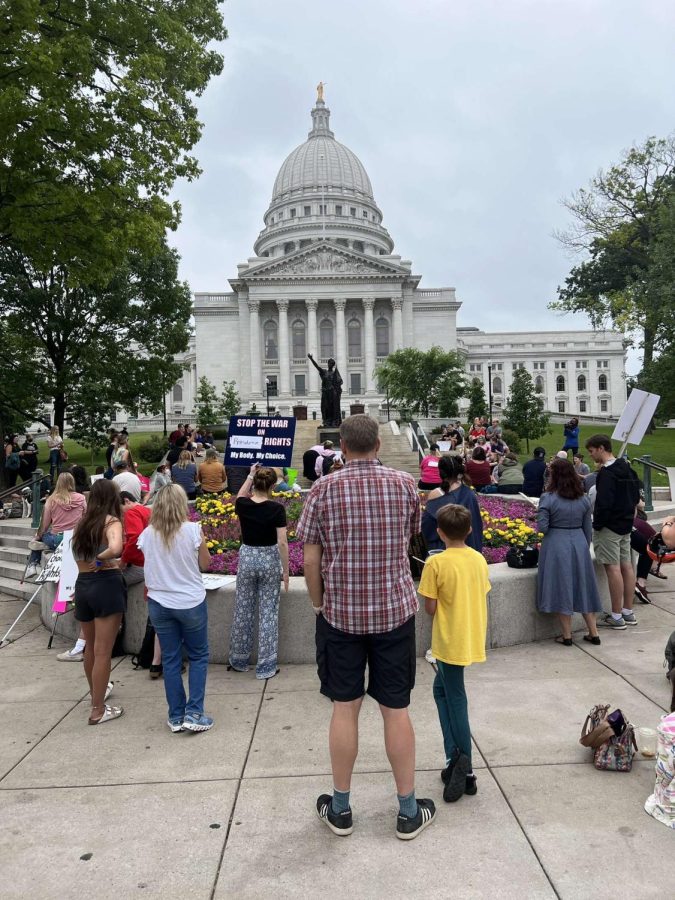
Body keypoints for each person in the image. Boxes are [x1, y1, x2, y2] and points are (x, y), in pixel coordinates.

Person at [297, 414, 436, 841]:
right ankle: (408, 811)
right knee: (396, 709)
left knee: (345, 707)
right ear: (377, 443)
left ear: (342, 444)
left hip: (340, 616)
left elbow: (310, 561)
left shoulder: (322, 490)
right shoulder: (403, 486)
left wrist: (319, 605)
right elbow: (409, 541)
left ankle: (340, 809)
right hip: (393, 613)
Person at [419, 504, 490, 803]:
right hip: (471, 636)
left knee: (456, 698)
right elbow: (481, 592)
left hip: (449, 641)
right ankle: (453, 758)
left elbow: (431, 608)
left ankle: (466, 767)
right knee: (442, 691)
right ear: (471, 530)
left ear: (439, 532)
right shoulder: (478, 559)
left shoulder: (435, 564)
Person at [137, 484, 214, 732]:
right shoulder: (193, 531)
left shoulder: (148, 534)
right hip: (190, 601)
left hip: (160, 602)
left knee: (170, 659)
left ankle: (176, 715)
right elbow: (206, 563)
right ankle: (194, 713)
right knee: (199, 656)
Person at [71, 479, 126, 724]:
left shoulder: (80, 524)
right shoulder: (111, 522)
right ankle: (98, 709)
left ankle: (97, 695)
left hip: (83, 585)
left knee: (90, 649)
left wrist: (92, 561)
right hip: (105, 584)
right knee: (104, 651)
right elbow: (116, 547)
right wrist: (101, 559)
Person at [228, 464, 289, 679]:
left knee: (243, 608)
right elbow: (282, 542)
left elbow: (241, 495)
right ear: (273, 485)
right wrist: (287, 571)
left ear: (255, 483)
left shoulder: (243, 504)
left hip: (247, 559)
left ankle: (238, 658)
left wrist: (250, 474)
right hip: (269, 560)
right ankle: (265, 665)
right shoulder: (276, 509)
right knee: (268, 613)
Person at [536, 459, 602, 645]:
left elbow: (543, 528)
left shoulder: (547, 498)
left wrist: (539, 513)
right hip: (579, 543)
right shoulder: (583, 498)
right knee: (584, 587)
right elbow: (588, 529)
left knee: (561, 587)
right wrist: (583, 545)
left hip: (556, 545)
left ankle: (566, 635)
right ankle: (593, 632)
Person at [586, 434, 641, 630]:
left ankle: (616, 615)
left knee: (613, 569)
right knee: (627, 566)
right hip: (626, 524)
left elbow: (604, 503)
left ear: (601, 448)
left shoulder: (606, 473)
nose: (591, 456)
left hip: (609, 526)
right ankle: (628, 611)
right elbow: (636, 493)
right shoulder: (625, 466)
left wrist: (597, 524)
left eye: (592, 451)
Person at [26, 472, 86, 578]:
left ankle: (32, 564)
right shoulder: (82, 498)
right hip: (76, 538)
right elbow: (86, 518)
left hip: (57, 538)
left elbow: (44, 526)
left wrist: (37, 537)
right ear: (72, 482)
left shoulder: (51, 500)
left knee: (41, 535)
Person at [422, 456, 483, 553]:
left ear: (440, 472)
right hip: (468, 549)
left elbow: (427, 527)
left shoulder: (436, 494)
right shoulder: (469, 493)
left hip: (444, 551)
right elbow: (477, 525)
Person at [308, 353, 343, 426]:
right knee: (325, 407)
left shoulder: (335, 374)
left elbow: (339, 382)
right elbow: (317, 367)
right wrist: (311, 359)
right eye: (328, 363)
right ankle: (326, 421)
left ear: (333, 365)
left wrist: (337, 391)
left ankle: (334, 421)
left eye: (331, 363)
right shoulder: (324, 372)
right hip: (325, 393)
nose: (329, 364)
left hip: (332, 393)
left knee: (333, 407)